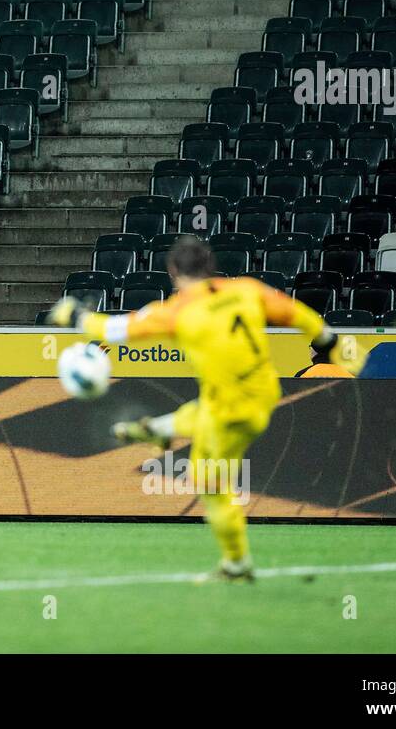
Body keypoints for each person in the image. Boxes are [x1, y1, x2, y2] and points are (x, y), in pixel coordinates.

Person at [47, 235, 356, 582]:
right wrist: (329, 341)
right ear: (210, 266)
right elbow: (297, 313)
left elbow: (116, 329)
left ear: (173, 271)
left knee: (208, 481)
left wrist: (76, 314)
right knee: (206, 406)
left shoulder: (177, 310)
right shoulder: (246, 290)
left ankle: (236, 565)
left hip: (231, 410)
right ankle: (158, 428)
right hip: (264, 392)